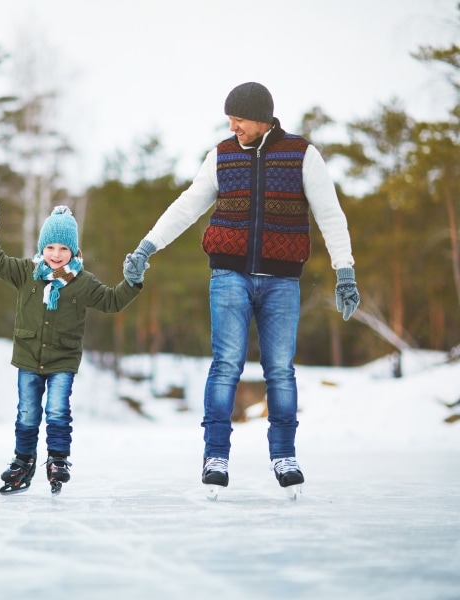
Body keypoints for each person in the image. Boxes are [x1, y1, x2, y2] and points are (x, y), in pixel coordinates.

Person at [123, 82, 360, 500]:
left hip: (282, 280)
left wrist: (345, 271)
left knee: (280, 370)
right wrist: (146, 247)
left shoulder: (302, 155)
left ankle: (284, 454)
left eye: (239, 119)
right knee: (226, 364)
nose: (233, 126)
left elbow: (330, 213)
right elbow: (187, 205)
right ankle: (215, 455)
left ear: (262, 117)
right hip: (228, 275)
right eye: (229, 118)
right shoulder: (222, 154)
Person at [0, 201, 142, 495]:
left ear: (73, 251)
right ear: (42, 248)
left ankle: (58, 459)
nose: (56, 254)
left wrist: (133, 281)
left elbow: (113, 301)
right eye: (50, 247)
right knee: (27, 412)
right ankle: (23, 460)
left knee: (57, 410)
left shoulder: (83, 282)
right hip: (28, 357)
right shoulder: (27, 272)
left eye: (63, 249)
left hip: (63, 359)